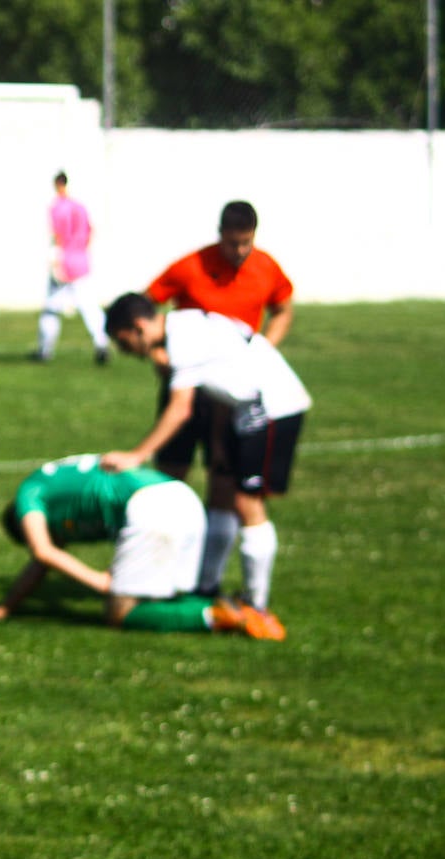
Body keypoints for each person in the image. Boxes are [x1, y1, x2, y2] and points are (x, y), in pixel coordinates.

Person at [101, 292, 311, 616]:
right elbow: (225, 379)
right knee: (226, 494)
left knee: (247, 503)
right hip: (247, 412)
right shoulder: (186, 325)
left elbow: (180, 410)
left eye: (123, 342)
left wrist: (137, 455)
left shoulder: (183, 340)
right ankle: (207, 587)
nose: (127, 351)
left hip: (272, 409)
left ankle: (256, 604)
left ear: (138, 327)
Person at [0, 454, 284, 639]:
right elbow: (44, 561)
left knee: (121, 613)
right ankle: (235, 608)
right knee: (162, 597)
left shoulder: (30, 493)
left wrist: (101, 582)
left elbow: (42, 551)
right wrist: (5, 608)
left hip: (150, 508)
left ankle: (220, 616)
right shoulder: (60, 489)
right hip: (180, 496)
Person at [142, 200, 295, 599]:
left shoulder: (266, 267)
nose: (239, 252)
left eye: (245, 243)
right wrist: (159, 356)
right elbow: (144, 307)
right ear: (220, 235)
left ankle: (206, 582)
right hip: (188, 383)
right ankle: (160, 574)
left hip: (232, 392)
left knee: (224, 484)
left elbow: (283, 309)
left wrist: (263, 349)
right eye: (232, 243)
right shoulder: (191, 265)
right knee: (170, 476)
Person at [30, 171, 109, 364]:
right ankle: (101, 342)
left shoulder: (57, 208)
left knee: (51, 308)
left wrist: (57, 259)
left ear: (57, 184)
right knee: (90, 306)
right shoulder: (80, 207)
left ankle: (44, 350)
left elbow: (57, 235)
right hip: (81, 261)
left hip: (64, 261)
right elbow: (91, 232)